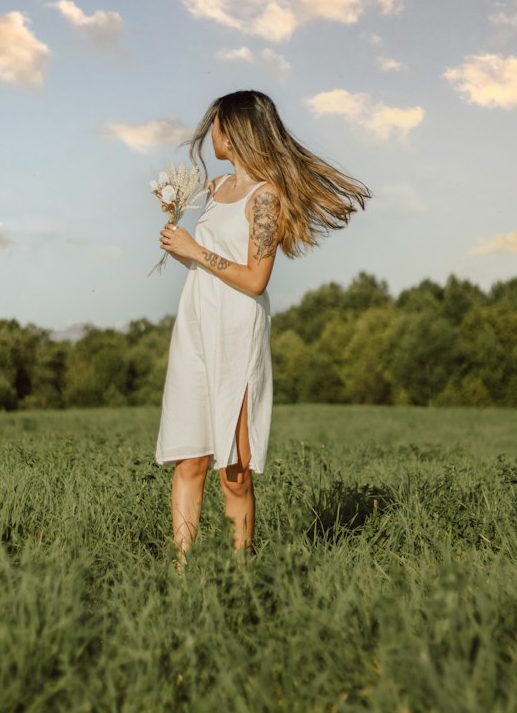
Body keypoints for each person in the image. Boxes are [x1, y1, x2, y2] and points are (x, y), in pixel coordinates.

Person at [155, 90, 370, 555]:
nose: (210, 132)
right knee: (188, 459)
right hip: (195, 324)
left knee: (234, 471)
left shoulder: (266, 197)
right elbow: (208, 265)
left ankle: (240, 580)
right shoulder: (214, 190)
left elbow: (254, 280)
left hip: (236, 330)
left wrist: (196, 250)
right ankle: (180, 577)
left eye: (215, 124)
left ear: (233, 132)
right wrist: (179, 248)